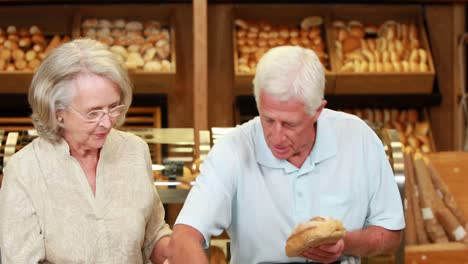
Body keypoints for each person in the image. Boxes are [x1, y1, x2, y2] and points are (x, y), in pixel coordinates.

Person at [168, 46, 405, 264]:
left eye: (290, 125)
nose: (276, 136)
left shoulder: (358, 138)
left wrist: (345, 244)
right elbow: (183, 238)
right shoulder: (233, 148)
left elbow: (390, 233)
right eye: (268, 120)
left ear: (317, 111)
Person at [0, 39, 171, 263]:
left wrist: (178, 249)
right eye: (93, 113)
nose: (107, 123)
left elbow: (153, 235)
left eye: (114, 107)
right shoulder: (26, 169)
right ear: (57, 111)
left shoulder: (134, 151)